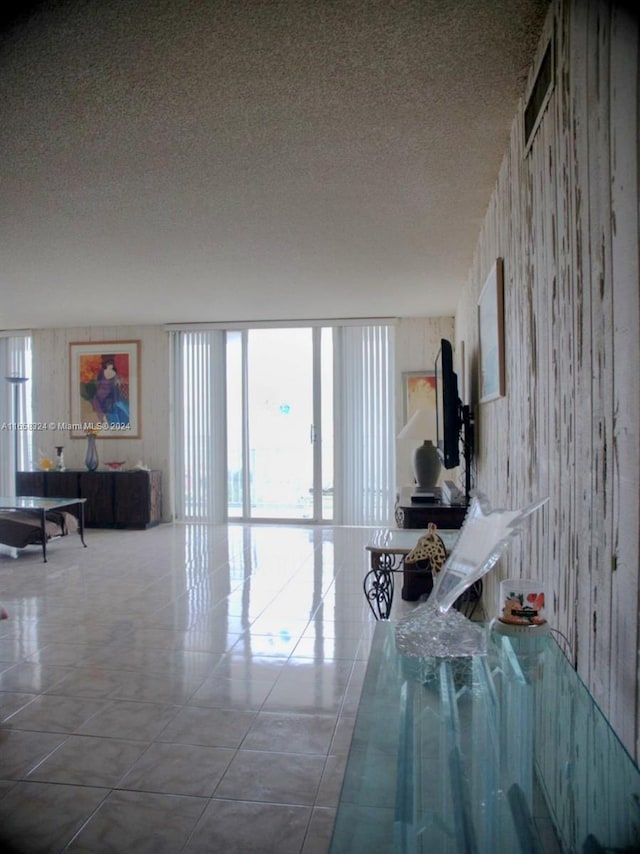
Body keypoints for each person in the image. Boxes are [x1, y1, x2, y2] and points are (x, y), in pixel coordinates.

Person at [91, 357, 129, 426]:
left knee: (97, 401)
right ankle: (103, 418)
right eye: (109, 364)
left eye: (111, 365)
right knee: (96, 400)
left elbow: (99, 381)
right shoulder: (104, 372)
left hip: (107, 393)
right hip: (104, 392)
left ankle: (103, 418)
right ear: (107, 365)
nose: (110, 366)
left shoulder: (111, 373)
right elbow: (98, 381)